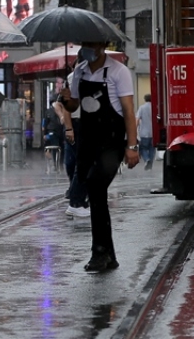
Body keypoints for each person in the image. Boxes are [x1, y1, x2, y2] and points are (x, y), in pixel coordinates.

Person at [59, 42, 139, 272]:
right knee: (94, 193)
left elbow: (128, 109)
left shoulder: (118, 71)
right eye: (85, 44)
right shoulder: (79, 72)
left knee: (95, 186)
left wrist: (131, 146)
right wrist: (66, 99)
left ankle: (100, 252)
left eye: (93, 44)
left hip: (111, 142)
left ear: (103, 46)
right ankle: (106, 254)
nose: (88, 48)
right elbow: (75, 104)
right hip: (88, 141)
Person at [55, 74, 89, 218]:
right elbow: (64, 105)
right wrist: (68, 127)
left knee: (80, 164)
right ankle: (76, 201)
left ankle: (78, 196)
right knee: (80, 164)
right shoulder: (75, 78)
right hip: (79, 123)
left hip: (84, 123)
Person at [136, 97, 155, 170]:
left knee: (142, 148)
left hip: (144, 133)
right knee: (152, 149)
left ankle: (147, 160)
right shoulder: (154, 107)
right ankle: (150, 164)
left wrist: (135, 129)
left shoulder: (142, 108)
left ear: (145, 99)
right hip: (153, 132)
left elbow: (137, 119)